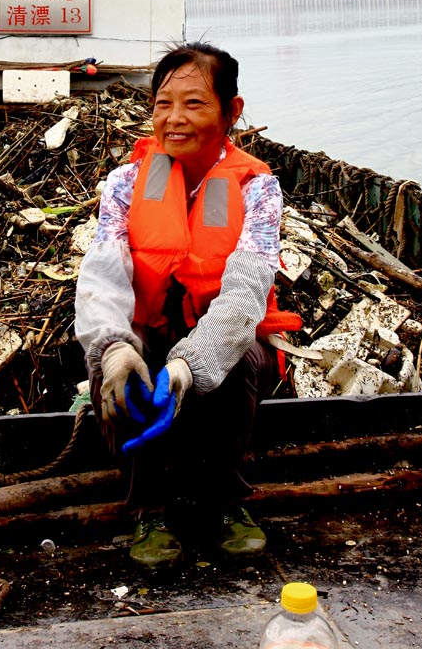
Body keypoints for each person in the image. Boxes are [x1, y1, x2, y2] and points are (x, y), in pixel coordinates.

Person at [74, 42, 301, 569]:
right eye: (162, 103)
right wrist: (112, 349)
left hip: (220, 336)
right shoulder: (126, 183)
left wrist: (190, 364)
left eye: (194, 104)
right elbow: (103, 273)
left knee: (243, 360)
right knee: (109, 367)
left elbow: (245, 294)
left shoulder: (258, 188)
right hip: (146, 329)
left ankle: (226, 502)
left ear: (232, 111)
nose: (174, 119)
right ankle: (146, 508)